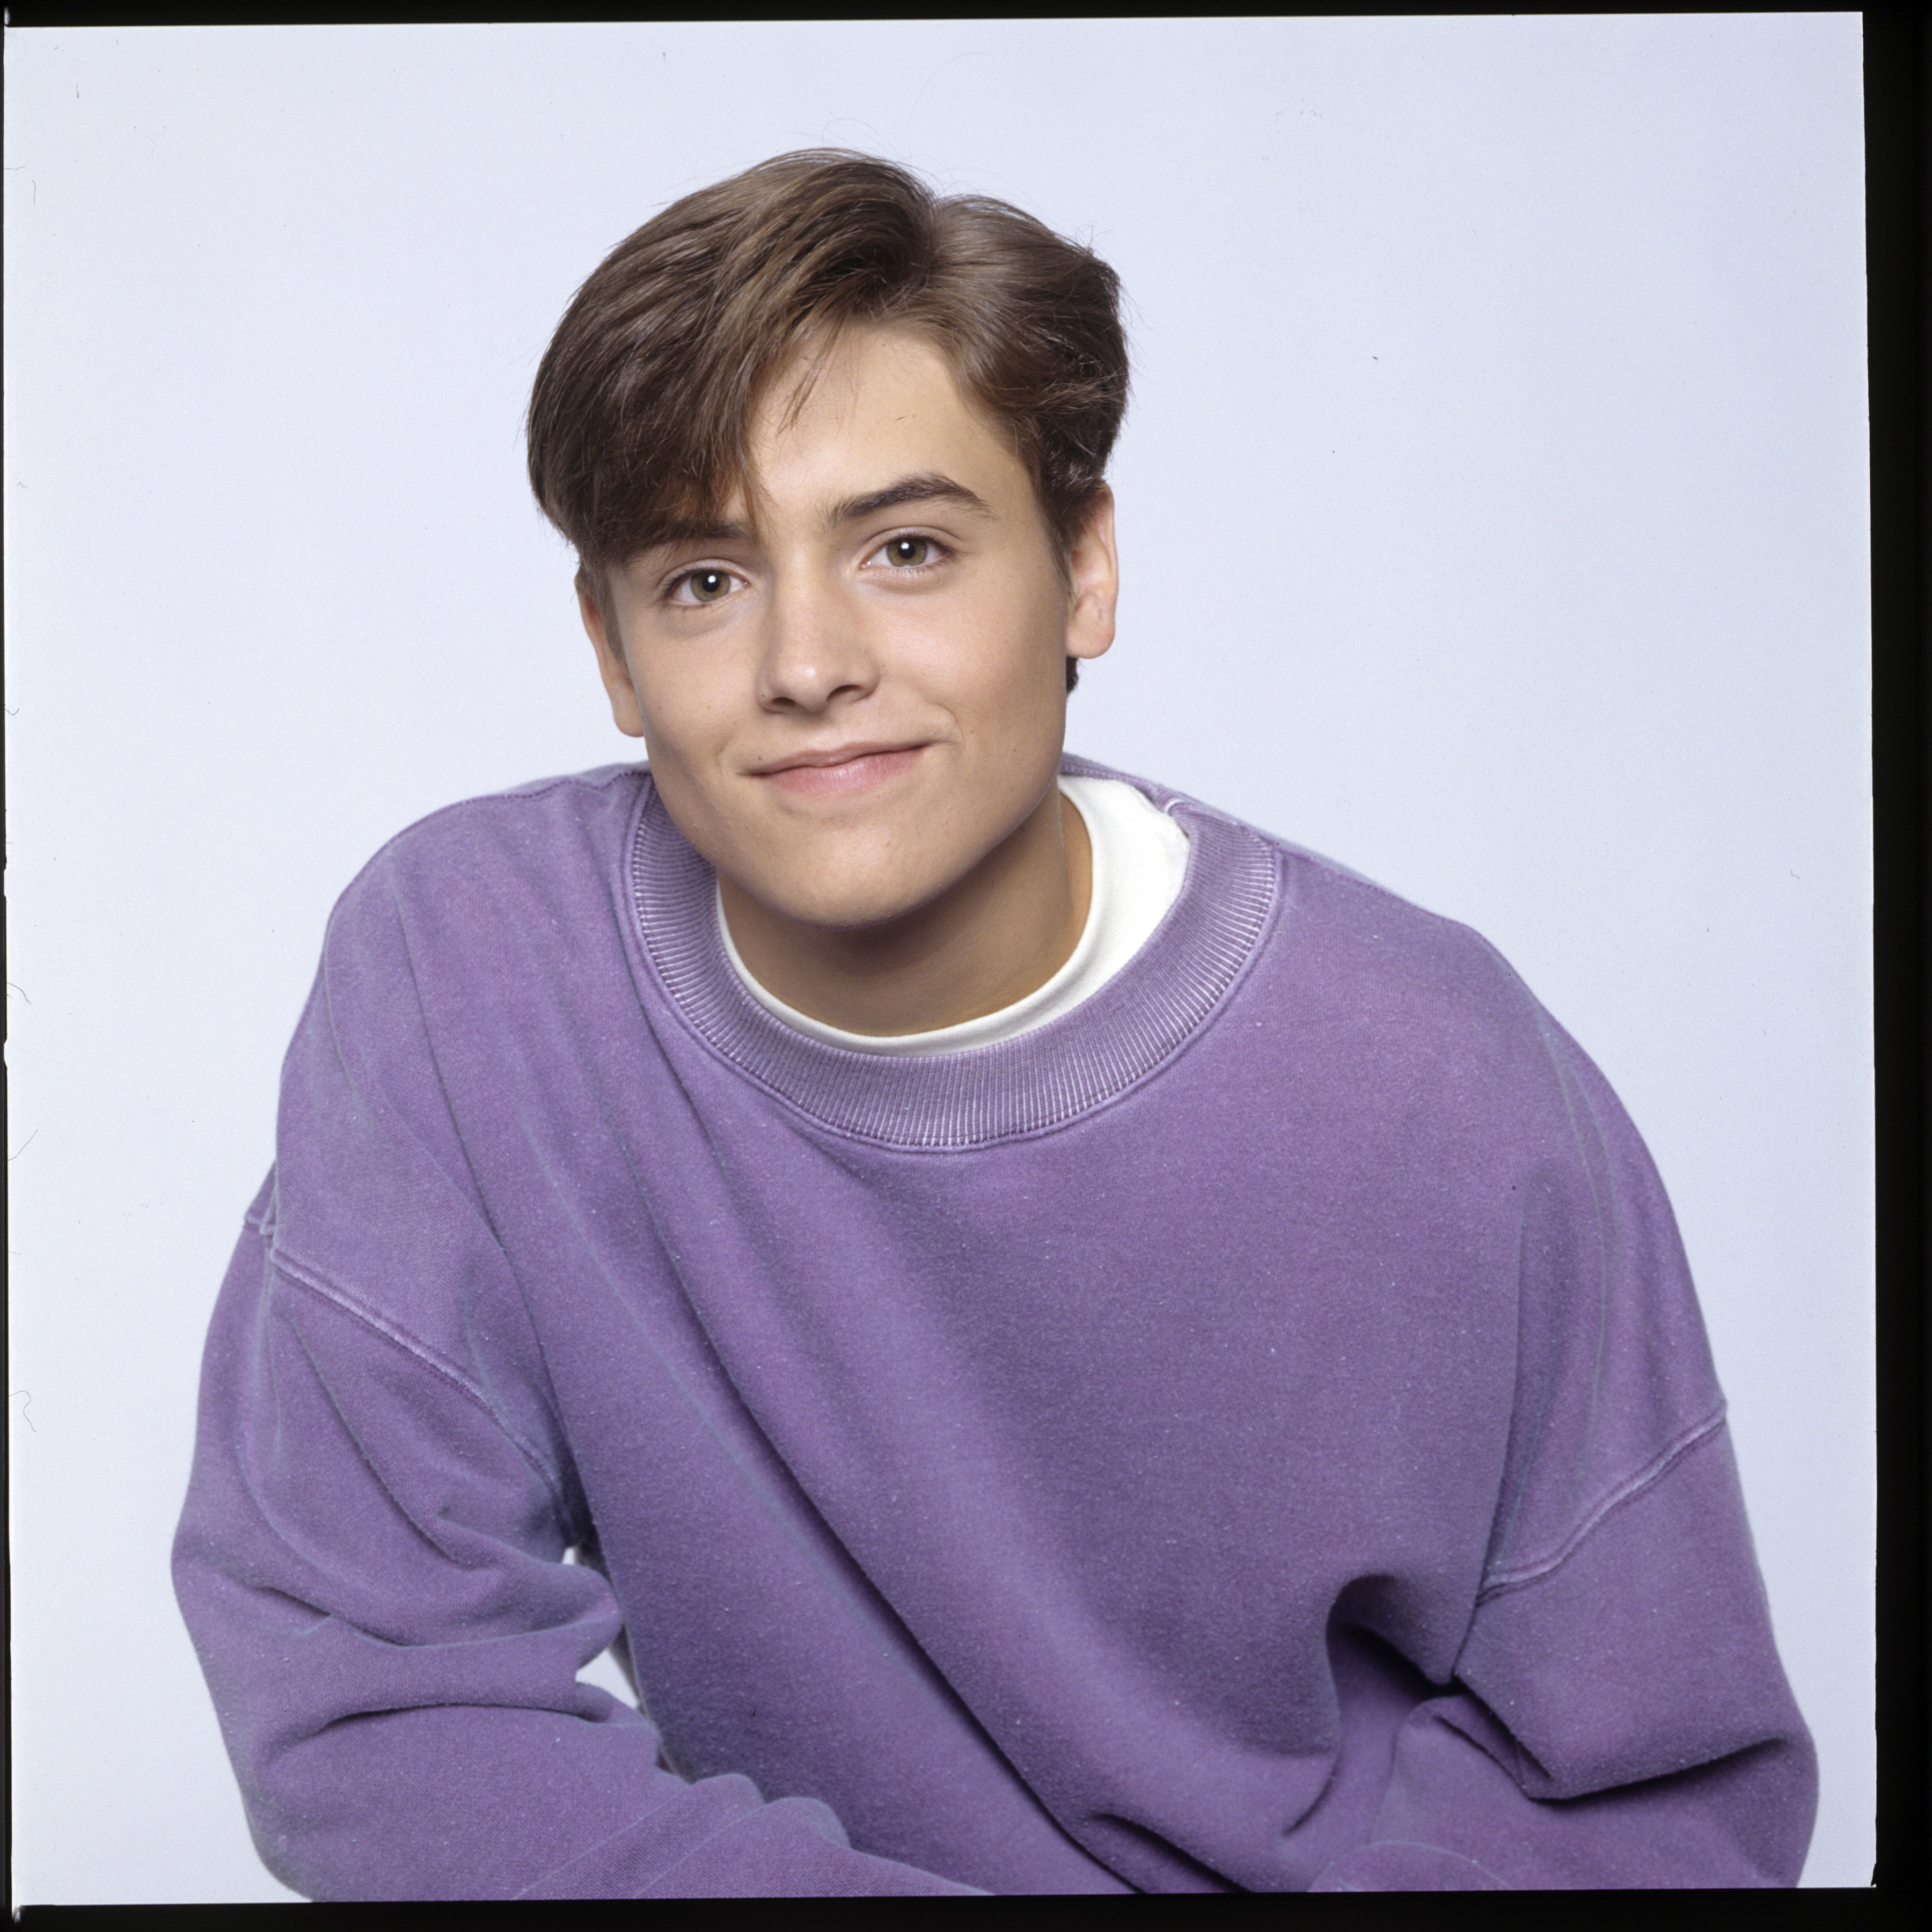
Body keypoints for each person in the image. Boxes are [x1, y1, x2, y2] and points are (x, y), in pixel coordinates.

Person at [172, 151, 1817, 1898]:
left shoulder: (1438, 1080)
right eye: (708, 579)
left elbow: (1649, 1801)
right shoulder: (468, 971)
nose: (809, 658)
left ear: (1084, 570)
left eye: (906, 547)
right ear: (614, 650)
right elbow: (376, 1694)